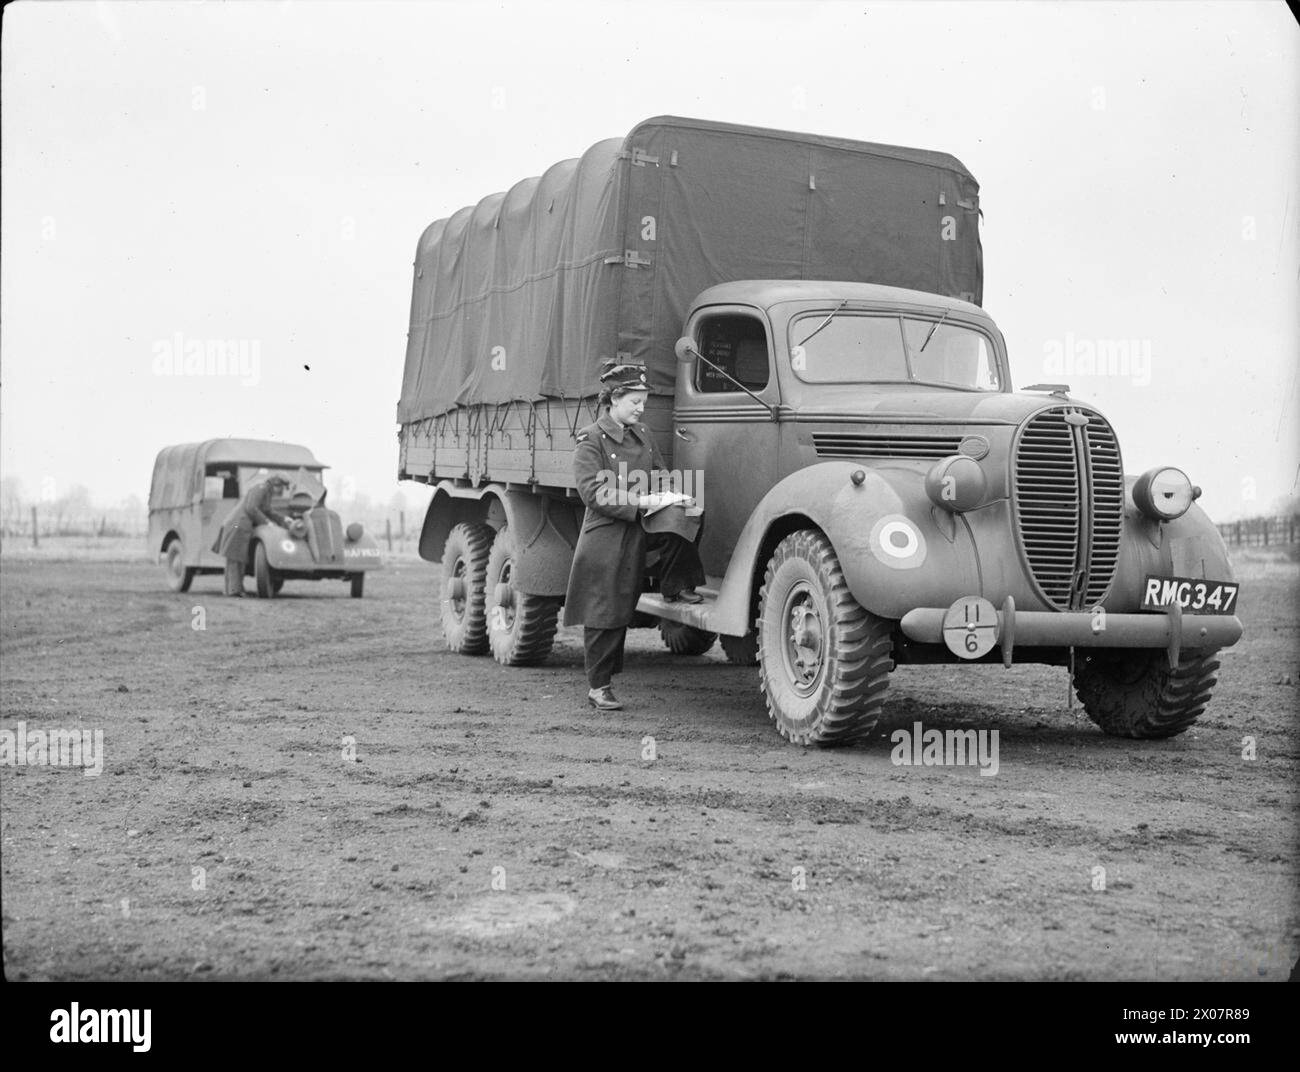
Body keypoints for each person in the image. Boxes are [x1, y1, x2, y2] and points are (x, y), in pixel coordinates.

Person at [563, 362, 705, 711]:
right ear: (614, 400)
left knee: (687, 516)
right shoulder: (590, 439)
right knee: (605, 610)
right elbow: (593, 493)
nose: (641, 408)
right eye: (635, 402)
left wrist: (674, 494)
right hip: (607, 534)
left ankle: (675, 586)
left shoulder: (641, 432)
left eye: (643, 401)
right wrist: (641, 501)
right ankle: (599, 686)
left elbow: (660, 473)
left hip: (640, 526)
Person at [211, 472, 292, 597]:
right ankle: (234, 591)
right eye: (282, 487)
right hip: (237, 524)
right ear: (277, 483)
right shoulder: (261, 488)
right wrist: (266, 522)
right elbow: (251, 508)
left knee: (238, 558)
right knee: (235, 558)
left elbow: (267, 510)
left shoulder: (267, 491)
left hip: (240, 524)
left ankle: (232, 590)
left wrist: (283, 519)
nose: (282, 491)